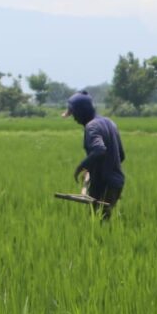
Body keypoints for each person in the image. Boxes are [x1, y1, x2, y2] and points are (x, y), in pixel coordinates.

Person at [63, 91, 126, 220]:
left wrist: (80, 167)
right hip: (116, 183)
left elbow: (99, 150)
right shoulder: (110, 123)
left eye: (74, 114)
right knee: (104, 221)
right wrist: (91, 170)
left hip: (103, 185)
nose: (74, 119)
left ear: (82, 111)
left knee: (98, 222)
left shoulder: (91, 127)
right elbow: (121, 155)